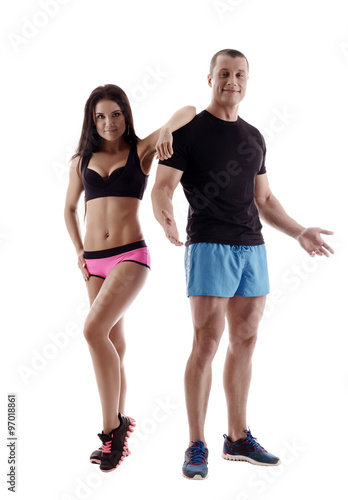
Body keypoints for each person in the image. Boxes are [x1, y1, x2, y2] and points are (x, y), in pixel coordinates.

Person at [151, 49, 334, 480]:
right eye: (224, 74)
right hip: (210, 245)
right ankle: (196, 443)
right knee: (207, 344)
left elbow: (265, 199)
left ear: (248, 80)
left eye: (239, 74)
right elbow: (162, 187)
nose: (232, 81)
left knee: (246, 340)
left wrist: (299, 231)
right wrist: (166, 216)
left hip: (253, 246)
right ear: (210, 78)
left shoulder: (254, 136)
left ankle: (236, 438)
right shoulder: (188, 130)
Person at [64, 84, 196, 473]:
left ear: (126, 115)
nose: (109, 122)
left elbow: (188, 108)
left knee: (92, 333)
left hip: (129, 256)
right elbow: (69, 209)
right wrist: (79, 252)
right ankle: (119, 419)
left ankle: (111, 432)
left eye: (116, 114)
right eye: (101, 116)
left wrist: (168, 129)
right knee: (113, 343)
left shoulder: (141, 150)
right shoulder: (80, 160)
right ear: (92, 119)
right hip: (93, 262)